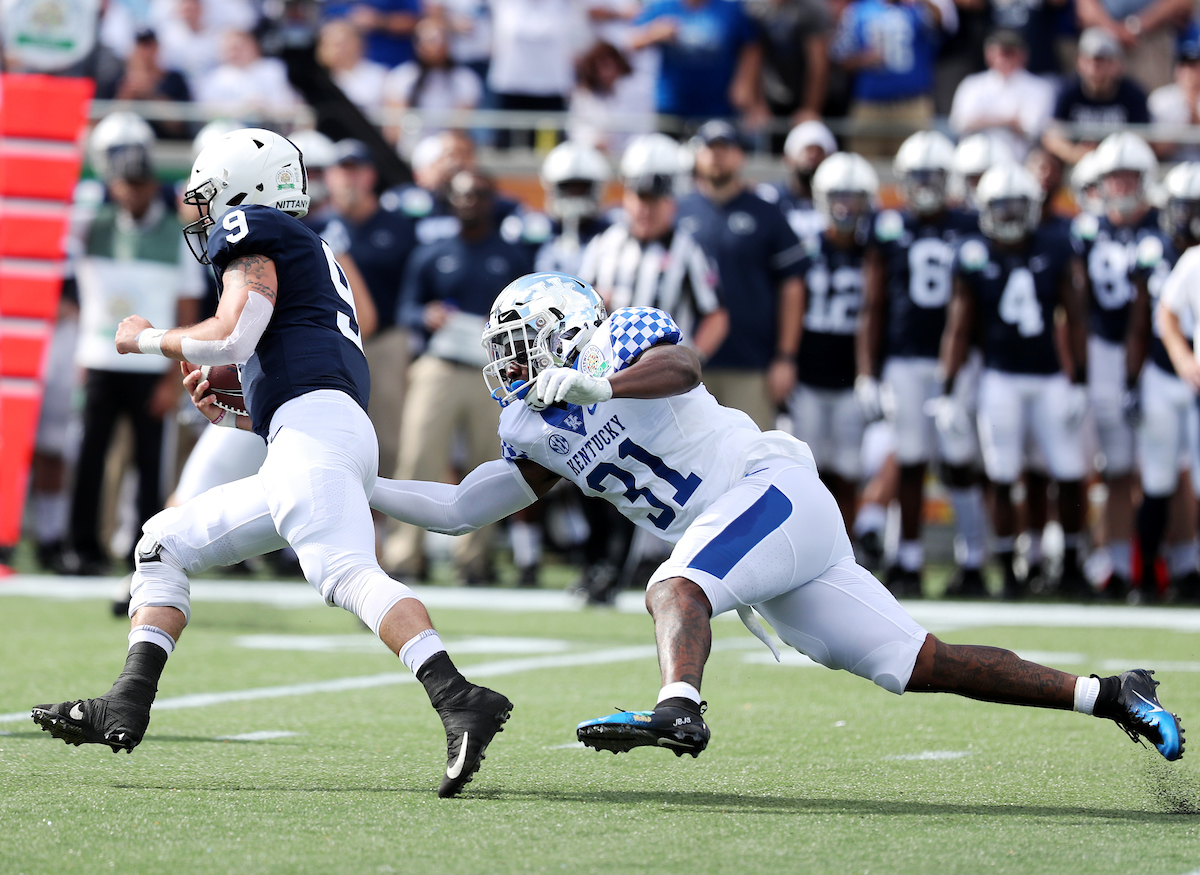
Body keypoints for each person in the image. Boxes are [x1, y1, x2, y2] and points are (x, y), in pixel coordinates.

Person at [365, 269, 1184, 765]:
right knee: (917, 662)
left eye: (522, 342)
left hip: (767, 488)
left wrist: (600, 387)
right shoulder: (532, 428)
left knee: (674, 582)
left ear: (565, 328)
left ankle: (678, 704)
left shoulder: (622, 337)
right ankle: (1111, 693)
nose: (509, 363)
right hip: (765, 541)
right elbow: (457, 508)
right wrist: (358, 482)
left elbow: (684, 366)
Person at [31, 128, 513, 800]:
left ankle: (459, 695)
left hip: (318, 431)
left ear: (244, 190)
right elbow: (281, 372)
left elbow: (232, 332)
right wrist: (233, 405)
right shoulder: (311, 250)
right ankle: (127, 700)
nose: (202, 215)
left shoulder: (255, 228)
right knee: (161, 542)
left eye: (207, 197)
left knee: (344, 571)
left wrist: (148, 339)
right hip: (320, 428)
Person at [940, 164, 1092, 600]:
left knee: (1068, 471)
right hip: (1000, 377)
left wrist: (1078, 380)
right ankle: (1007, 569)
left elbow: (1076, 318)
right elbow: (958, 327)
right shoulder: (972, 253)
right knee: (1002, 473)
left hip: (1048, 378)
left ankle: (1072, 565)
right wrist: (949, 389)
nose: (1007, 216)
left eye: (1016, 207)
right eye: (999, 207)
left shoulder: (1056, 246)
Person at [66, 112, 204, 575]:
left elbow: (186, 308)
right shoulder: (94, 224)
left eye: (140, 181)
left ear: (151, 185)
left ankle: (143, 553)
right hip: (100, 359)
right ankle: (81, 548)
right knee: (90, 459)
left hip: (151, 365)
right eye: (123, 181)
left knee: (150, 466)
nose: (131, 189)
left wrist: (173, 376)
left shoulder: (174, 236)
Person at [390, 170, 534, 584]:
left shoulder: (512, 256)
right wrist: (427, 315)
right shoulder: (433, 252)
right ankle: (405, 556)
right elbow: (406, 308)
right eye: (462, 195)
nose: (470, 201)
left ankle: (474, 560)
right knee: (418, 459)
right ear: (450, 201)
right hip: (441, 366)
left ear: (492, 200)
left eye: (479, 194)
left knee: (490, 467)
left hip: (495, 373)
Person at [858, 131, 986, 598]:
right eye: (919, 176)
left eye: (934, 175)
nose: (926, 184)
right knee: (910, 460)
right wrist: (867, 370)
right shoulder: (890, 226)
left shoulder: (970, 224)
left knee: (959, 462)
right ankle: (907, 559)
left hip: (957, 361)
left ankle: (973, 560)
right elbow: (872, 304)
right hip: (905, 358)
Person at [1072, 131, 1160, 598]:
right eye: (1115, 177)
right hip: (1106, 352)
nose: (1123, 186)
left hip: (1159, 357)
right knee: (1118, 465)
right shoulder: (1086, 231)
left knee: (1172, 466)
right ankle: (1118, 566)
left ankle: (1180, 563)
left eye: (1130, 177)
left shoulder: (1163, 226)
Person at [677, 120, 806, 430]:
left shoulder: (766, 212)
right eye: (710, 149)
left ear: (740, 156)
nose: (717, 157)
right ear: (696, 155)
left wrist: (785, 357)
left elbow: (793, 286)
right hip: (686, 363)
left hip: (752, 363)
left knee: (752, 461)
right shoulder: (678, 211)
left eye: (725, 149)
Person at [786, 152, 874, 532]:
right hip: (808, 371)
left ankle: (846, 547)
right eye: (837, 195)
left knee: (848, 468)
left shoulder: (874, 250)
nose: (844, 205)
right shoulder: (804, 248)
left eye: (853, 196)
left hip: (850, 374)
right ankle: (810, 543)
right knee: (808, 468)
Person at [1135, 162, 1200, 602]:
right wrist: (1183, 358)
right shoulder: (1187, 258)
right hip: (1165, 377)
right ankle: (1146, 578)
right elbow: (1159, 315)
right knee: (1158, 480)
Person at [1042, 27, 1150, 167]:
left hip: (1120, 167)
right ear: (1079, 62)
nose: (1095, 69)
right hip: (1076, 165)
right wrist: (1075, 153)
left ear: (1118, 64)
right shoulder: (1068, 92)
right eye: (1090, 61)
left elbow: (1145, 139)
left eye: (1104, 62)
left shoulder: (1133, 95)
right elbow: (1051, 136)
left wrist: (1108, 154)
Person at [948, 28, 1056, 164]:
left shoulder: (1040, 87)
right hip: (974, 165)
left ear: (1023, 55)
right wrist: (1009, 121)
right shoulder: (972, 84)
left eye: (1010, 53)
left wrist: (982, 119)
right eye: (1000, 53)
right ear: (988, 54)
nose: (1004, 58)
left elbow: (1031, 128)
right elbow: (959, 123)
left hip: (1020, 164)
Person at [536, 140, 615, 277]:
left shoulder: (611, 234)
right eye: (568, 189)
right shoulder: (537, 232)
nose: (574, 197)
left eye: (581, 189)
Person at [757, 119, 837, 252]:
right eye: (806, 150)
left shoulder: (839, 202)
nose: (812, 156)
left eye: (818, 151)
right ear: (787, 157)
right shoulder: (769, 197)